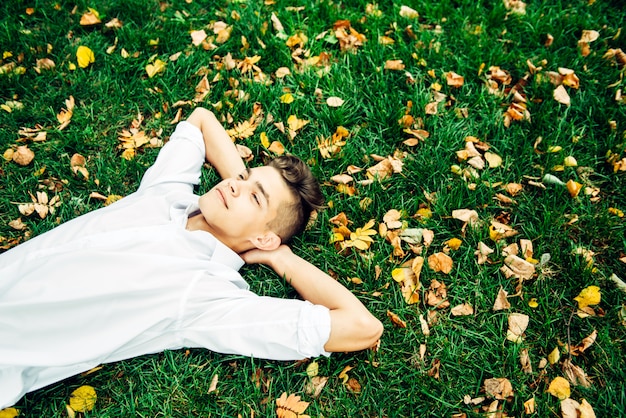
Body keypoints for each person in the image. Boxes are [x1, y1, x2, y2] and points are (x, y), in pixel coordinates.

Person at [0, 107, 383, 408]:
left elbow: (363, 328)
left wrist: (280, 257)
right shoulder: (166, 194)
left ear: (265, 236)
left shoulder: (207, 294)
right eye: (244, 176)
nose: (234, 184)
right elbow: (201, 120)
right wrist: (242, 192)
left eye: (254, 196)